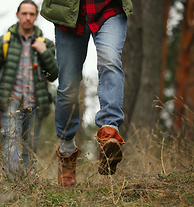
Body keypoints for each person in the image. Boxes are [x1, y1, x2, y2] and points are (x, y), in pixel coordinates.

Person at [40, 0, 133, 186]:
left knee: (110, 61)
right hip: (69, 12)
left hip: (108, 7)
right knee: (68, 86)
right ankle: (67, 151)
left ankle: (109, 132)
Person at [0, 0, 58, 176]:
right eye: (24, 13)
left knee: (30, 144)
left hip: (35, 102)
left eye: (31, 14)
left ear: (36, 17)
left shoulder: (45, 44)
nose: (28, 18)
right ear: (17, 15)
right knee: (10, 140)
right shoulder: (4, 41)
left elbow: (54, 74)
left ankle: (26, 183)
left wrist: (44, 52)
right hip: (10, 100)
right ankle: (11, 181)